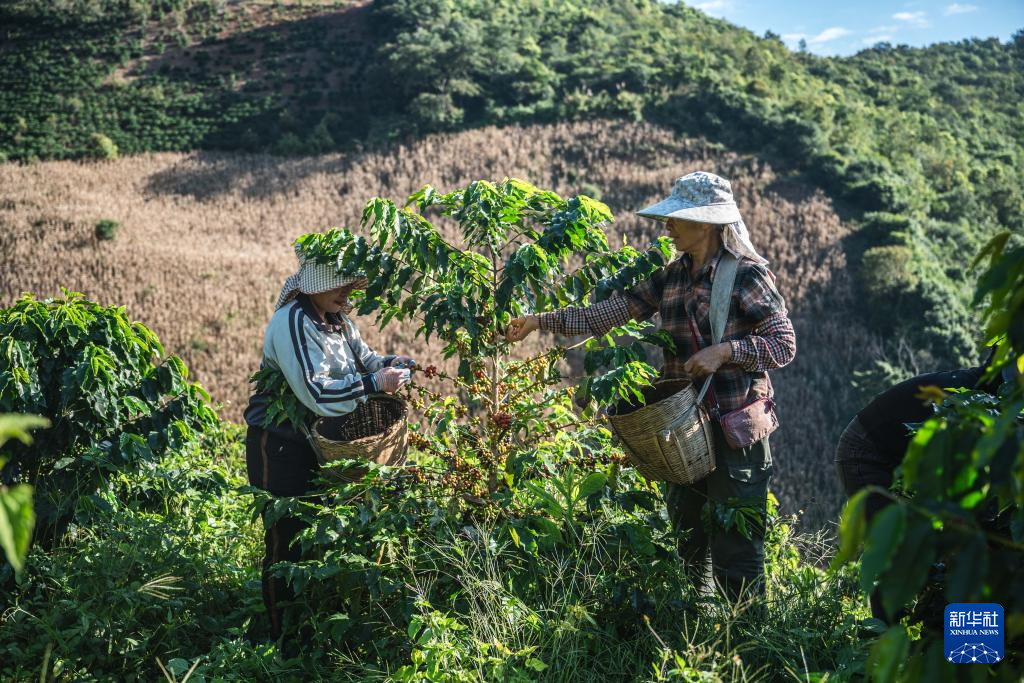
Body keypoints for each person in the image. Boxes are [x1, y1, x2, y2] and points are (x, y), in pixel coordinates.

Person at [506, 171, 796, 599]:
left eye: (678, 217)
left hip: (735, 430)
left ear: (707, 224)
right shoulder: (672, 277)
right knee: (689, 541)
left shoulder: (747, 277)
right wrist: (539, 321)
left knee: (738, 549)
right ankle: (695, 634)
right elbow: (606, 314)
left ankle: (750, 646)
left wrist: (725, 352)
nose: (668, 225)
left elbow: (783, 343)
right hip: (685, 430)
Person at [243, 244, 416, 641]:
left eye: (350, 286)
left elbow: (368, 362)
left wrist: (399, 365)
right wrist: (376, 383)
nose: (347, 294)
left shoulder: (337, 321)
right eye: (340, 285)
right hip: (281, 443)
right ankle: (280, 640)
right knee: (286, 540)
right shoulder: (293, 322)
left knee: (320, 534)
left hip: (318, 441)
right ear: (314, 286)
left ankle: (312, 626)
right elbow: (317, 394)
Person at [834, 349, 1013, 622]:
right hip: (868, 452)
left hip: (905, 458)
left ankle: (949, 645)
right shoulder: (972, 407)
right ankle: (886, 645)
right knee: (898, 554)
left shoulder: (999, 411)